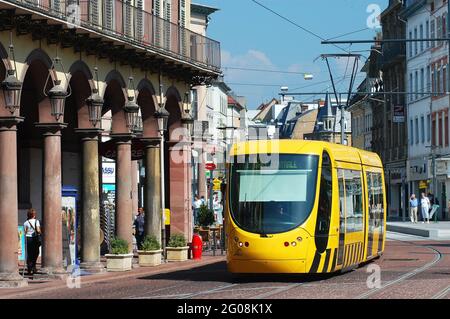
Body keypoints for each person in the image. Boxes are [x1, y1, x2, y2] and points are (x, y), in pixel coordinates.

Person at [24, 208, 41, 275]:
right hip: (35, 238)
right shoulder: (36, 221)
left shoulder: (25, 222)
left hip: (28, 239)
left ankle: (29, 268)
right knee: (36, 252)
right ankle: (33, 267)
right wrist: (41, 232)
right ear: (34, 215)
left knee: (29, 253)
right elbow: (38, 230)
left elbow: (25, 232)